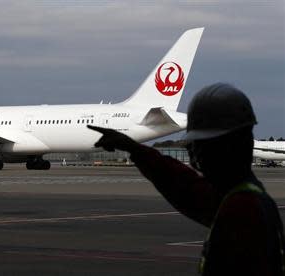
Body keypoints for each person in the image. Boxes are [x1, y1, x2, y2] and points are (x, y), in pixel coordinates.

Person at [88, 83, 284, 276]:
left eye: (198, 144)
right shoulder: (238, 197)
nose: (192, 152)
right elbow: (187, 188)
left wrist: (136, 150)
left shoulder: (242, 209)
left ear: (225, 145)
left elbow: (190, 191)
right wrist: (135, 149)